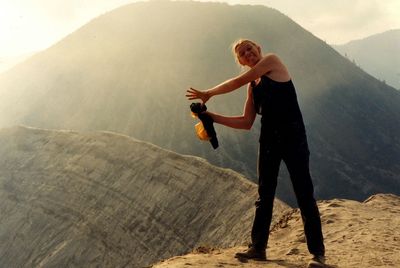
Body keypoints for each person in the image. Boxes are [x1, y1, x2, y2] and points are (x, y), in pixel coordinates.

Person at [186, 39, 325, 266]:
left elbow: (239, 81)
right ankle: (258, 248)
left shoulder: (272, 61)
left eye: (250, 48)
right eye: (243, 53)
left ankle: (318, 254)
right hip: (269, 140)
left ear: (258, 49)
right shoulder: (253, 87)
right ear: (240, 60)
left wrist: (209, 93)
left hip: (293, 138)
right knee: (265, 195)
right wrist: (212, 117)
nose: (248, 53)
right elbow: (246, 122)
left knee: (304, 192)